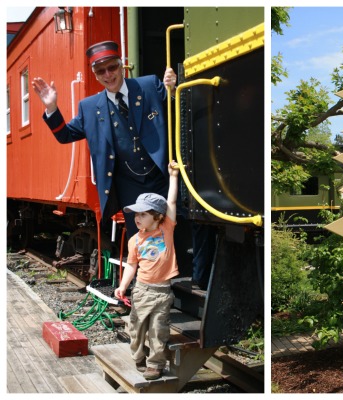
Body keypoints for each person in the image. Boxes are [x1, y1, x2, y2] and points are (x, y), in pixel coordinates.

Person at [32, 40, 213, 289]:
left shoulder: (149, 85)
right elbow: (65, 135)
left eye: (111, 67)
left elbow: (179, 110)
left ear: (122, 66)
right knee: (143, 239)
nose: (108, 75)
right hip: (128, 184)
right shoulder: (89, 107)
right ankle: (147, 291)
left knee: (192, 219)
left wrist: (174, 88)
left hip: (161, 176)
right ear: (95, 74)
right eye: (101, 71)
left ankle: (198, 281)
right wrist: (52, 108)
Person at [113, 160, 181, 380]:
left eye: (142, 214)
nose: (137, 218)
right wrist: (123, 285)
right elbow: (132, 265)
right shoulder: (135, 240)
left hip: (162, 292)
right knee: (136, 330)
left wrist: (173, 176)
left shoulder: (166, 228)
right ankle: (138, 355)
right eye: (135, 214)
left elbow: (171, 200)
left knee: (158, 332)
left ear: (158, 216)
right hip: (142, 290)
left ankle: (155, 364)